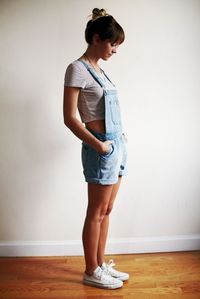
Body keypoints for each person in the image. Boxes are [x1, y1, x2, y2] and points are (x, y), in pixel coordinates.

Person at [63, 8, 129, 289]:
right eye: (112, 43)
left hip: (117, 146)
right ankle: (91, 270)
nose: (115, 50)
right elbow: (69, 118)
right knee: (96, 211)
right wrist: (99, 144)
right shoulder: (77, 68)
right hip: (101, 147)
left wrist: (120, 140)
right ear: (97, 37)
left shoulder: (101, 71)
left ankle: (101, 265)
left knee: (108, 209)